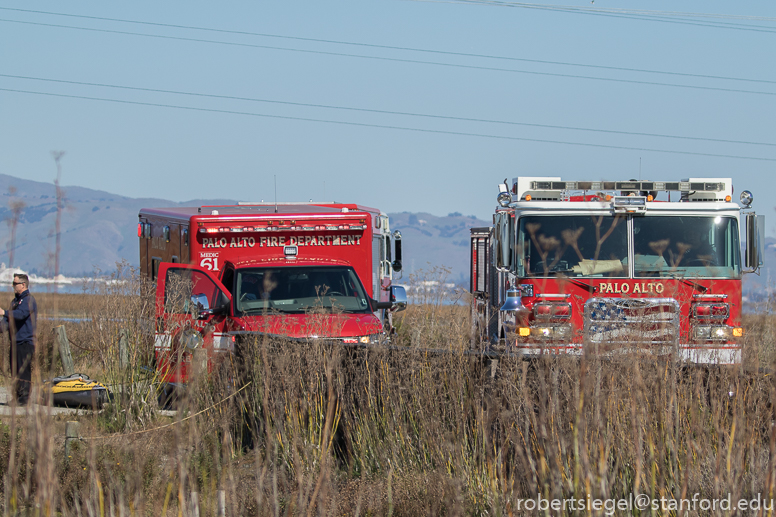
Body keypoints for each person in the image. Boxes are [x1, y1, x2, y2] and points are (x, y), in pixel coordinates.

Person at [0, 274, 37, 405]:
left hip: (25, 342)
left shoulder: (28, 300)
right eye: (12, 283)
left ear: (23, 285)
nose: (13, 286)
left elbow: (21, 315)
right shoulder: (15, 302)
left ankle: (24, 399)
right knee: (14, 370)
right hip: (15, 342)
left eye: (15, 283)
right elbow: (6, 321)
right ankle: (16, 397)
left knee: (23, 371)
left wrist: (4, 312)